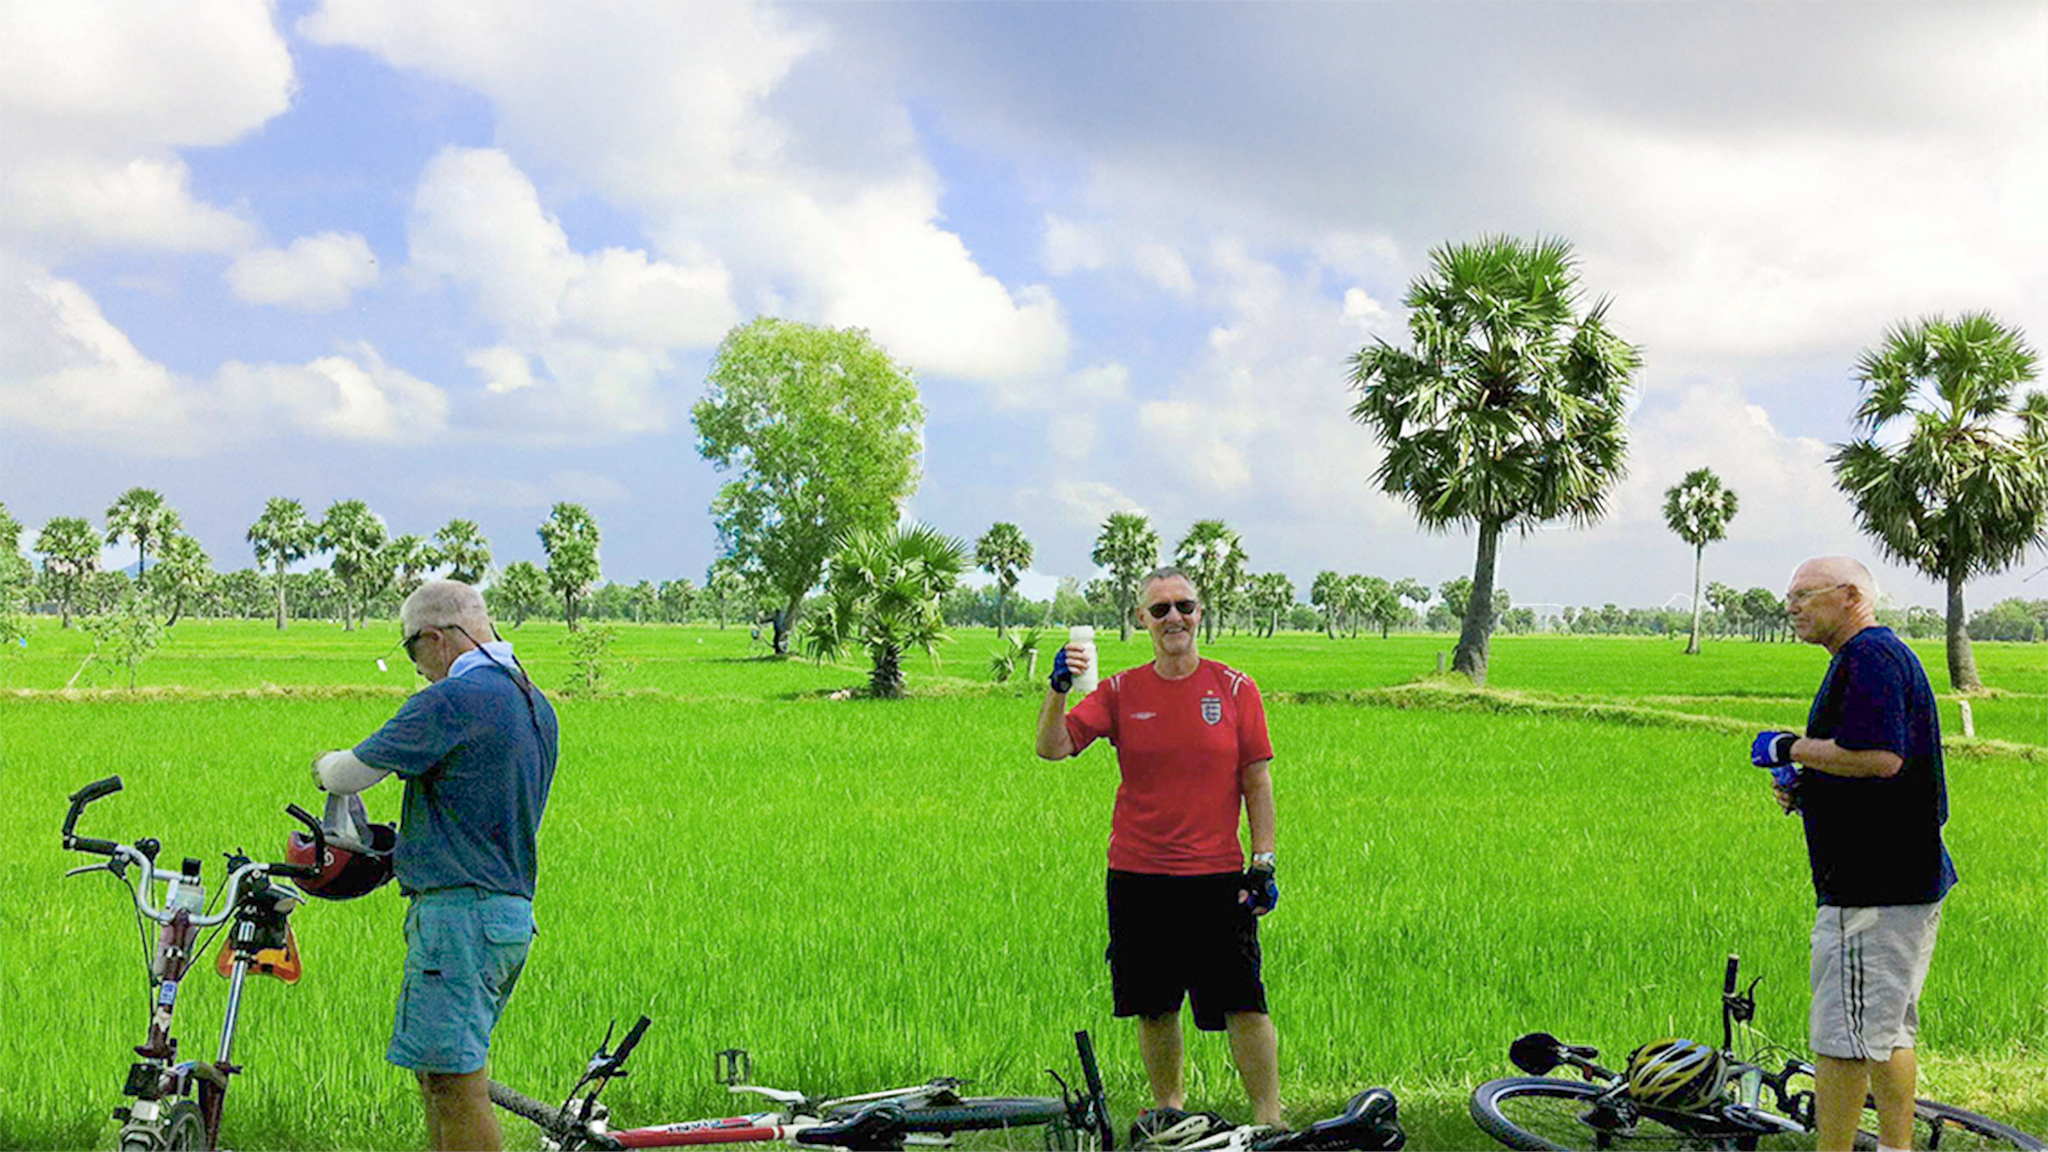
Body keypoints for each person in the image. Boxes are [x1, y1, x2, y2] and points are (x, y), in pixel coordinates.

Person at [1035, 566, 1282, 1146]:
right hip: (1139, 874)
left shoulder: (1237, 689)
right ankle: (1169, 1111)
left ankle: (1270, 1118)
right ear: (1141, 620)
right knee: (1155, 1005)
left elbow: (1257, 781)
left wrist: (1263, 861)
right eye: (1161, 609)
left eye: (1185, 606)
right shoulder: (1121, 691)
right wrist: (1058, 689)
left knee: (1244, 1001)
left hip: (1218, 875)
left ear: (1201, 614)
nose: (1175, 618)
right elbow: (1053, 748)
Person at [310, 580, 560, 1152]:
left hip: (459, 919)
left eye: (411, 651)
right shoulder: (532, 701)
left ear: (435, 638)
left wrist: (320, 767)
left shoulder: (454, 700)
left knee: (454, 1086)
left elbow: (348, 774)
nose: (417, 669)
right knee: (440, 1075)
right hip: (502, 915)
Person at [1753, 557, 1956, 1152]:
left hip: (1874, 886)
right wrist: (1808, 781)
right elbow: (1869, 763)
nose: (1791, 606)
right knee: (1884, 1030)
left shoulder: (1870, 657)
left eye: (1803, 595)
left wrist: (1790, 745)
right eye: (1787, 595)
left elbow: (1880, 757)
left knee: (1844, 1037)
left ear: (1848, 596)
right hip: (1895, 878)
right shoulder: (1868, 658)